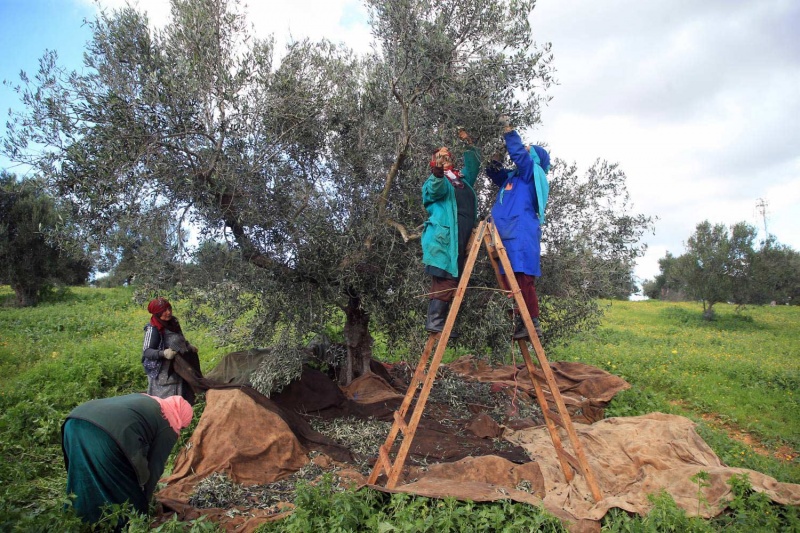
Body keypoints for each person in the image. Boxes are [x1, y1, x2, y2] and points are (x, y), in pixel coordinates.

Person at [61, 393, 193, 525]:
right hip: (106, 433)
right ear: (181, 418)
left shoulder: (149, 400)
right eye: (183, 427)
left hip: (74, 422)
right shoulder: (169, 425)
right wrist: (144, 500)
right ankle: (122, 525)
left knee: (82, 475)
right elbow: (155, 467)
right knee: (127, 490)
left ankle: (77, 521)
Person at [485, 118, 550, 340]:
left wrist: (509, 133)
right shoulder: (514, 178)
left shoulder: (533, 174)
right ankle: (519, 322)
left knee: (523, 279)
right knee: (507, 279)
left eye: (528, 150)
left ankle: (531, 324)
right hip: (506, 235)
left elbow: (521, 157)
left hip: (521, 236)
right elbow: (494, 173)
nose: (524, 151)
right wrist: (496, 154)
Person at [420, 129, 480, 335]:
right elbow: (436, 190)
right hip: (444, 238)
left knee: (457, 276)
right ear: (434, 162)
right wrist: (437, 170)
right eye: (440, 158)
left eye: (447, 157)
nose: (445, 159)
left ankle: (445, 322)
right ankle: (435, 321)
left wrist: (468, 143)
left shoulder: (460, 179)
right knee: (446, 276)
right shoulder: (435, 180)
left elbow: (474, 165)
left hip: (461, 235)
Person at [142, 297, 197, 404]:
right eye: (164, 311)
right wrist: (163, 353)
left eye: (169, 309)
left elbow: (179, 338)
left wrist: (187, 346)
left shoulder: (173, 322)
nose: (168, 312)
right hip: (163, 374)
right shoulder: (153, 329)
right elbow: (147, 351)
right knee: (165, 403)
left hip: (178, 368)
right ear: (157, 313)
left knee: (181, 399)